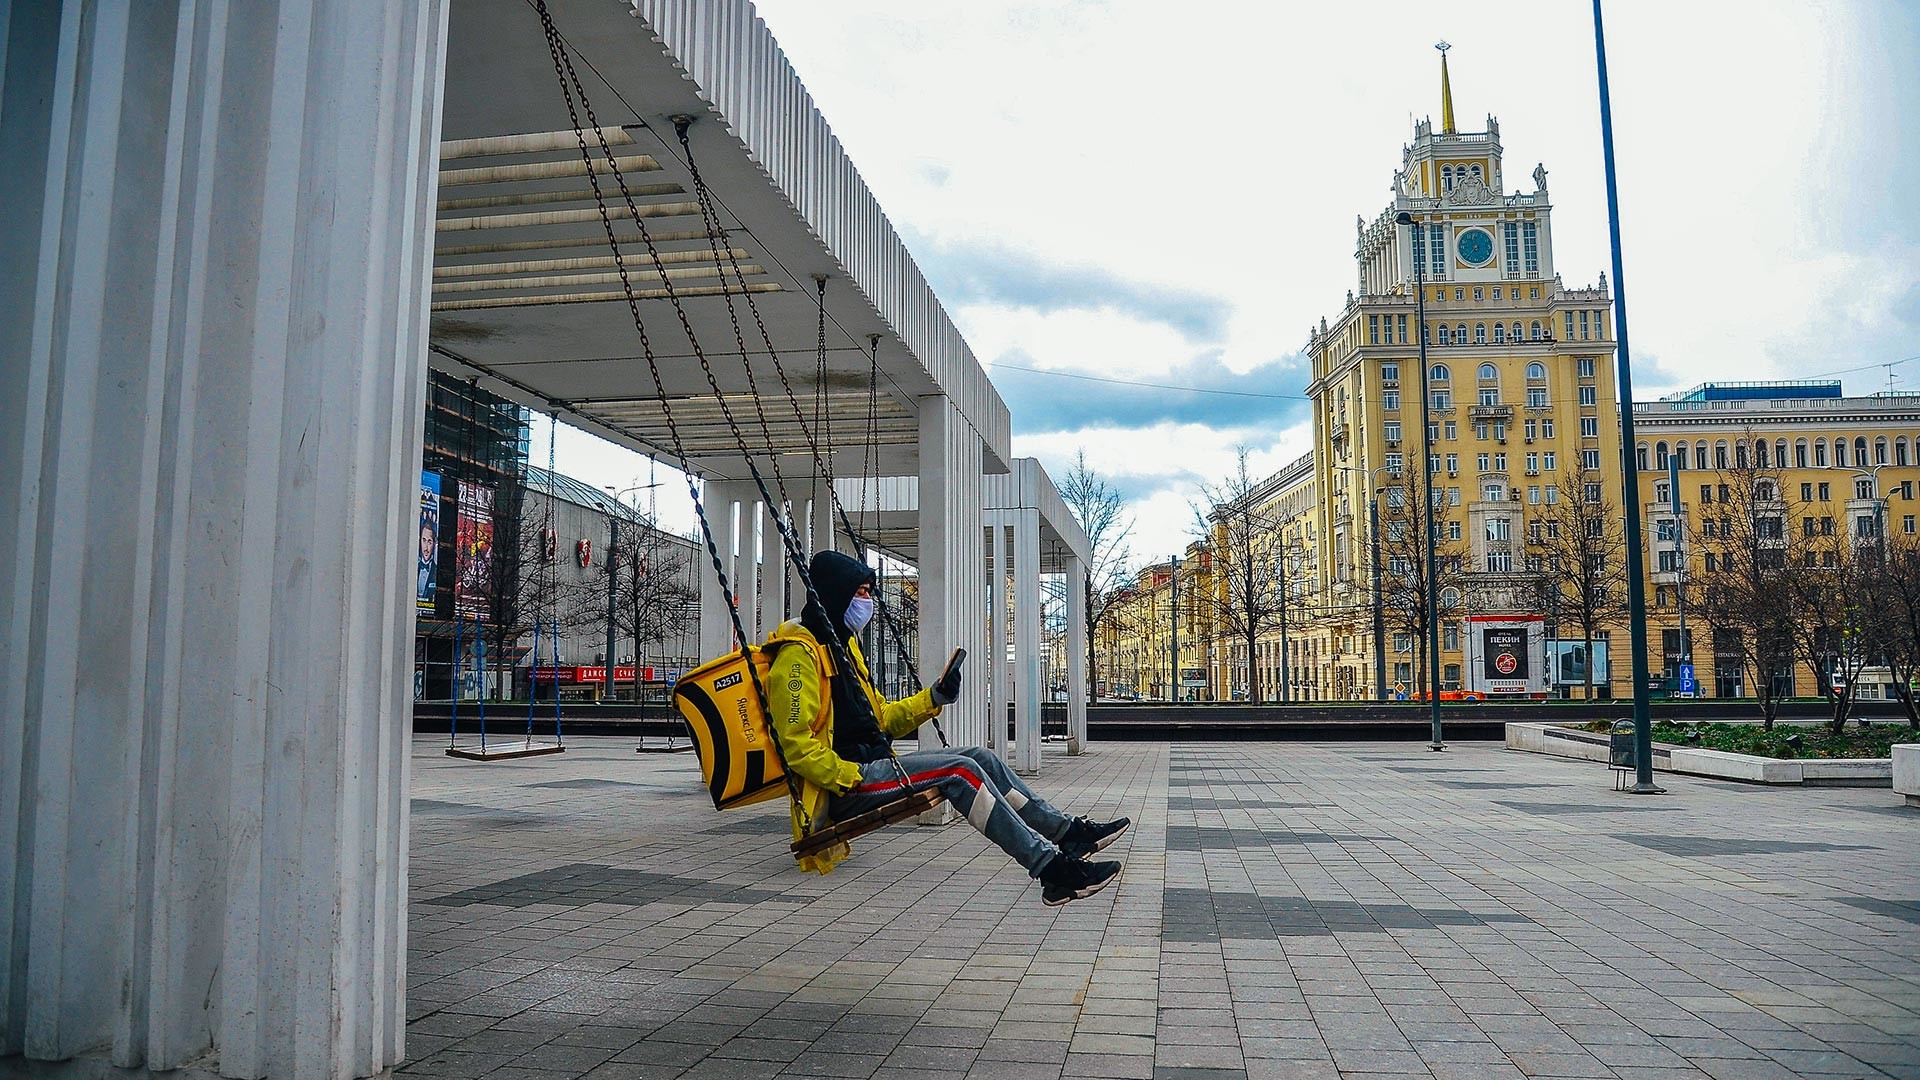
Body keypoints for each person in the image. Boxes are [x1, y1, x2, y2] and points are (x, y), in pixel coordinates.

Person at [767, 550, 1128, 905]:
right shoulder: (798, 658)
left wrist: (934, 698)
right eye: (861, 592)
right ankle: (1052, 871)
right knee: (960, 771)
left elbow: (882, 720)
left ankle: (1067, 833)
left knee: (980, 757)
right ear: (836, 594)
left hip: (872, 767)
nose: (868, 601)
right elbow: (795, 745)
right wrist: (848, 776)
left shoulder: (843, 648)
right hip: (846, 784)